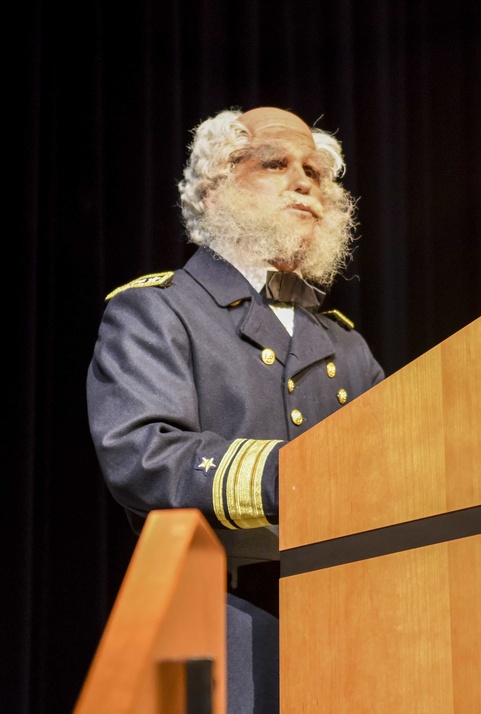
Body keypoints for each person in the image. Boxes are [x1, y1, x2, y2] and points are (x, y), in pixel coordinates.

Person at [87, 107, 384, 713]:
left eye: (316, 171)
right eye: (276, 163)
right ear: (214, 186)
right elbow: (143, 455)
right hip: (224, 621)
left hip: (357, 621)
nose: (305, 181)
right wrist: (304, 475)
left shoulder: (346, 342)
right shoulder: (157, 311)